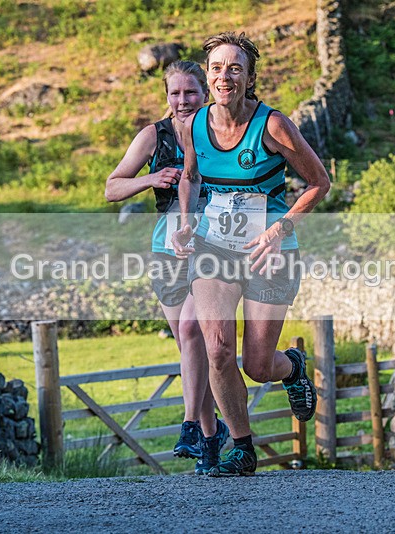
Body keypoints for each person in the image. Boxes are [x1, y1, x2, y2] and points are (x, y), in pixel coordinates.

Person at [171, 32, 331, 476]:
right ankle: (241, 448)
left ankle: (292, 366)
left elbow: (319, 182)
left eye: (235, 68)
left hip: (269, 251)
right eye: (217, 68)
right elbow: (189, 176)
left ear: (249, 77)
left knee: (257, 366)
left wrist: (281, 228)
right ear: (208, 76)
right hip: (214, 248)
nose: (225, 76)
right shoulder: (193, 125)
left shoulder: (273, 125)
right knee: (217, 348)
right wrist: (185, 220)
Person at [104, 60, 228, 474]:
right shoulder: (152, 135)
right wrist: (149, 179)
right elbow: (112, 186)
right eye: (174, 93)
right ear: (166, 96)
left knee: (194, 330)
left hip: (213, 242)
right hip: (165, 248)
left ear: (205, 93)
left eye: (190, 92)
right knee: (191, 348)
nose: (182, 100)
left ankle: (191, 425)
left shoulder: (220, 131)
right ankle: (211, 442)